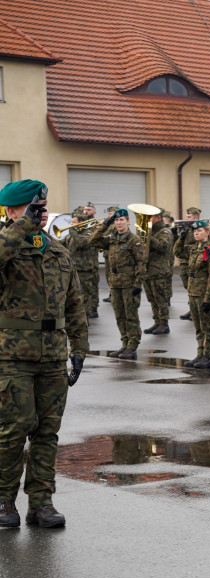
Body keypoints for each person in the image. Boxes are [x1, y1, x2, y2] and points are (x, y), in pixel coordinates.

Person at [0, 179, 88, 528]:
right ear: (11, 211)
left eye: (43, 206)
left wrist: (80, 347)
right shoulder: (7, 243)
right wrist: (21, 226)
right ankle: (4, 501)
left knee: (47, 432)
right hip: (11, 355)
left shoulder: (57, 250)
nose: (41, 212)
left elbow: (75, 302)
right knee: (12, 429)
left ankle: (42, 503)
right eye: (32, 207)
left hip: (53, 356)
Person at [90, 208, 146, 359]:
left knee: (130, 316)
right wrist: (104, 225)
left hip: (129, 284)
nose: (119, 223)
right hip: (115, 284)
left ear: (128, 221)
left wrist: (138, 284)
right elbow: (93, 240)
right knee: (119, 316)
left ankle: (132, 346)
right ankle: (125, 343)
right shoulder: (111, 238)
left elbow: (141, 263)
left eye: (122, 220)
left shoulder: (133, 239)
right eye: (116, 220)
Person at [173, 220, 210, 368]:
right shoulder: (193, 248)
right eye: (195, 231)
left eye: (199, 231)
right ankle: (200, 353)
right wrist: (181, 236)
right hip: (193, 292)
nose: (196, 233)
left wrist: (209, 298)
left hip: (204, 293)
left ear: (207, 232)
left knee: (206, 326)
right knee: (198, 326)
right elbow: (177, 252)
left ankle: (207, 356)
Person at [63, 207, 101, 319]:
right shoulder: (71, 235)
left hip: (84, 270)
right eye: (71, 222)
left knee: (85, 295)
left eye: (73, 222)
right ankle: (75, 316)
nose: (71, 224)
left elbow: (82, 243)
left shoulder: (88, 233)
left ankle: (86, 317)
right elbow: (60, 244)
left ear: (80, 222)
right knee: (73, 294)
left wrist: (73, 232)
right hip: (73, 268)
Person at [142, 212, 174, 335]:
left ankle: (164, 324)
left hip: (159, 271)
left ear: (158, 218)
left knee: (161, 300)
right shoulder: (152, 231)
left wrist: (149, 236)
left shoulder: (165, 232)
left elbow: (163, 247)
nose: (147, 219)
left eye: (149, 217)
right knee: (152, 299)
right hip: (148, 271)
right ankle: (157, 322)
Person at [178, 206, 201, 320]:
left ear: (196, 217)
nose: (186, 218)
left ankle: (196, 310)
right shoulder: (185, 228)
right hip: (183, 261)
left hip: (193, 261)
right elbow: (178, 245)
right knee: (187, 286)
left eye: (189, 216)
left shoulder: (199, 229)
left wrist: (188, 231)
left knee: (194, 288)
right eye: (186, 216)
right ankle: (192, 308)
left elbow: (196, 242)